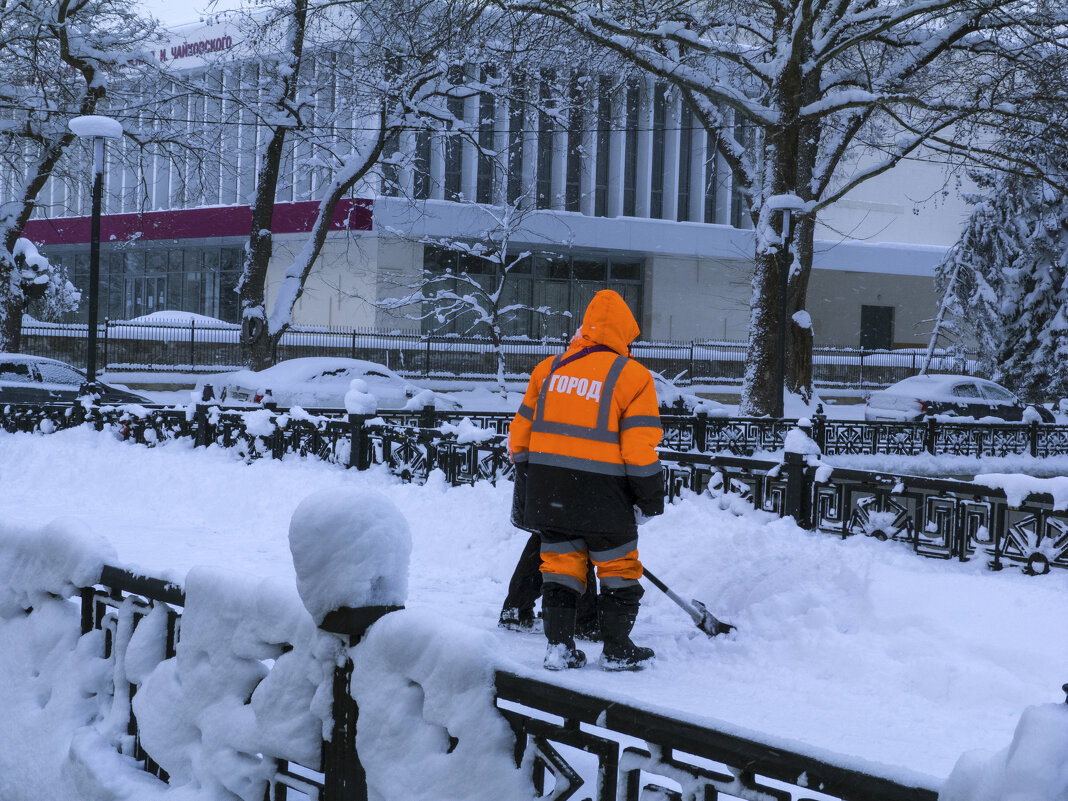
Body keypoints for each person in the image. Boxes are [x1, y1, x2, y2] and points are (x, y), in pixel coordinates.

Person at [508, 289, 665, 671]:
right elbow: (639, 449)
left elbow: (518, 441)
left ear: (586, 328)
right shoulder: (633, 377)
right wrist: (649, 499)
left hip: (551, 493)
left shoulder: (548, 370)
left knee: (560, 569)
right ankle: (616, 649)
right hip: (605, 496)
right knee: (618, 569)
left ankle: (559, 648)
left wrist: (534, 481)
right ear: (624, 333)